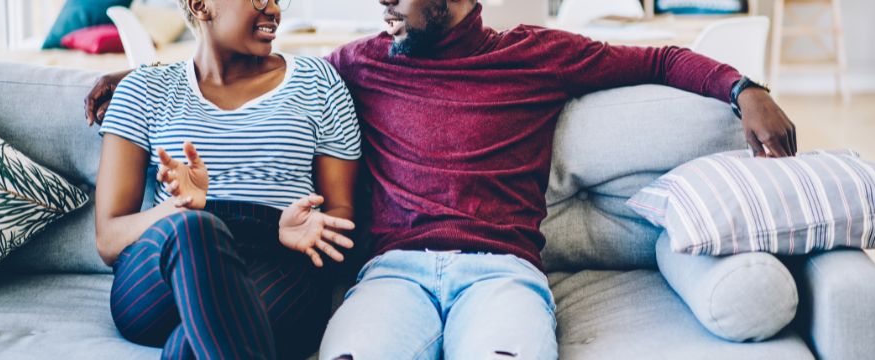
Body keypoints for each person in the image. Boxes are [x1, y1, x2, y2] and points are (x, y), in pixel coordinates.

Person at [86, 1, 797, 359]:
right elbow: (256, 70)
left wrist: (746, 89)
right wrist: (142, 79)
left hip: (502, 275)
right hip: (391, 276)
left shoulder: (538, 56)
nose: (384, 3)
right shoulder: (360, 63)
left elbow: (663, 60)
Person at [92, 0, 361, 358]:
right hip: (163, 270)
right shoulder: (142, 90)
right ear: (200, 5)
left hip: (278, 260)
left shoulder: (318, 83)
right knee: (196, 228)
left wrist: (301, 226)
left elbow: (340, 215)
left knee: (196, 341)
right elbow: (109, 239)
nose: (274, 9)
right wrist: (179, 207)